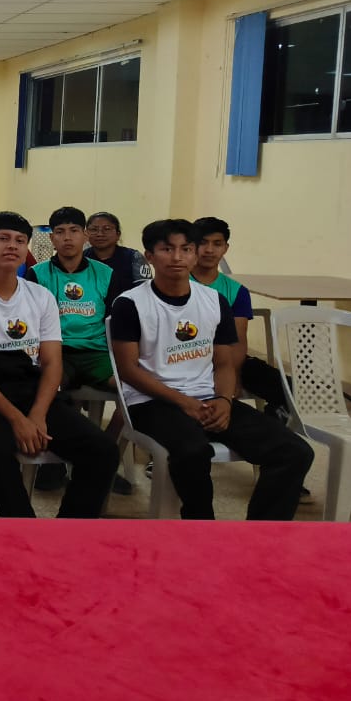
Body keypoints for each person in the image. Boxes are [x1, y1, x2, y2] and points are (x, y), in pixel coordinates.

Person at [109, 219, 313, 520]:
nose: (177, 257)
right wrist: (184, 402)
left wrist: (224, 400)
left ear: (194, 254)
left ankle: (261, 532)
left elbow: (224, 363)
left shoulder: (214, 300)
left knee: (294, 452)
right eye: (167, 249)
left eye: (186, 249)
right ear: (149, 256)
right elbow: (128, 370)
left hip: (207, 397)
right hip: (152, 402)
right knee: (192, 451)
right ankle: (201, 523)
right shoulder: (130, 304)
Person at [0, 211, 119, 519]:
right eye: (2, 239)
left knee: (103, 451)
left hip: (30, 388)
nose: (12, 246)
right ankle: (24, 530)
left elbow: (52, 362)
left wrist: (37, 415)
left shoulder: (41, 297)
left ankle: (68, 530)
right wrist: (18, 420)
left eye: (19, 240)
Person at [25, 206, 129, 494]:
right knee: (50, 391)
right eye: (59, 232)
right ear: (51, 239)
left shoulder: (106, 274)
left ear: (84, 236)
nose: (67, 238)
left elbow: (117, 320)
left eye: (73, 231)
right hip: (56, 351)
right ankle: (55, 463)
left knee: (134, 389)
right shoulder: (36, 274)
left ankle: (106, 454)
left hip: (97, 353)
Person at [190, 217, 289, 421]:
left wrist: (233, 375)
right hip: (185, 357)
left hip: (224, 358)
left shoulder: (236, 291)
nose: (209, 250)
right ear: (191, 246)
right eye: (203, 243)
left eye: (217, 244)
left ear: (225, 248)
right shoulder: (178, 281)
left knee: (287, 387)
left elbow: (238, 339)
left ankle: (276, 417)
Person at [86, 211, 152, 291]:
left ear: (118, 234)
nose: (100, 234)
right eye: (94, 229)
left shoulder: (134, 257)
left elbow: (146, 291)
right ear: (86, 233)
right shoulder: (82, 257)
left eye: (107, 229)